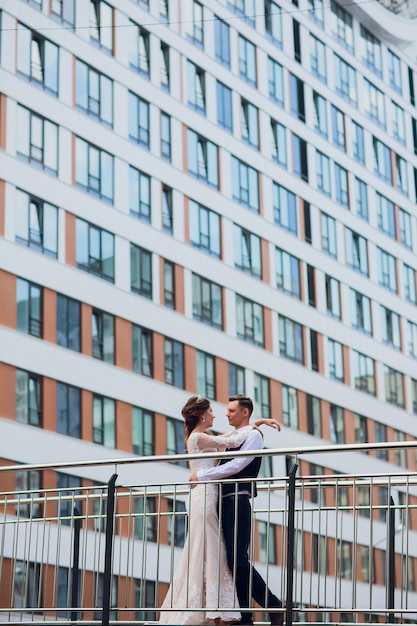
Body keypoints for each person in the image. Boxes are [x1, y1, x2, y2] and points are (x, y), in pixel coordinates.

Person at [159, 395, 279, 625]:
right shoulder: (200, 437)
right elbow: (232, 441)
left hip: (229, 500)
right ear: (202, 415)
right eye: (215, 411)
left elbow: (235, 458)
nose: (222, 414)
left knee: (228, 558)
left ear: (244, 412)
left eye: (230, 411)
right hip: (210, 500)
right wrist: (257, 424)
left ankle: (256, 609)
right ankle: (232, 613)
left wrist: (258, 425)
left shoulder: (246, 436)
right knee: (220, 556)